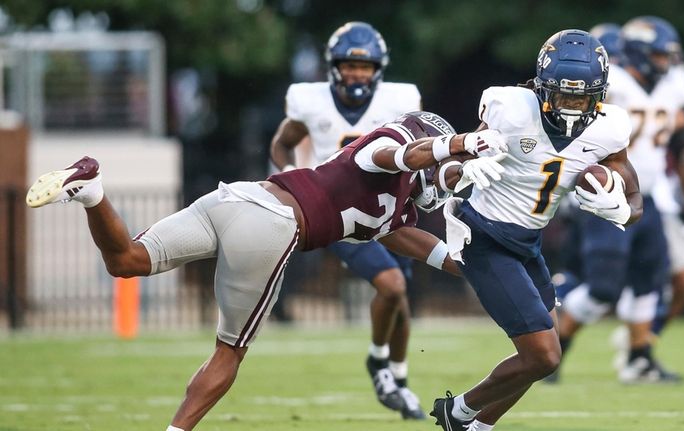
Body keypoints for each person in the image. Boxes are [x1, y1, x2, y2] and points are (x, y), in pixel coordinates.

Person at [25, 111, 508, 431]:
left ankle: (92, 190)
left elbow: (424, 246)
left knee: (127, 260)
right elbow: (401, 156)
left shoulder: (396, 208)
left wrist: (485, 265)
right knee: (229, 351)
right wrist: (463, 142)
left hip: (234, 198)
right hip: (272, 225)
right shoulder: (389, 146)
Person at [426, 29, 641, 431]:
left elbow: (636, 201)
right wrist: (461, 170)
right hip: (483, 238)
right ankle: (458, 413)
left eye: (582, 97)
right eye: (563, 96)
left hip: (528, 245)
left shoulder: (610, 128)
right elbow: (447, 165)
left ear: (600, 95)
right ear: (542, 88)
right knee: (543, 356)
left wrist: (620, 209)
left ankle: (478, 427)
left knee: (541, 356)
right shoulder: (509, 107)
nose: (573, 107)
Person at [269, 21, 427, 419]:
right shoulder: (310, 101)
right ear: (333, 66)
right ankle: (379, 363)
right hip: (341, 211)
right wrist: (292, 176)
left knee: (400, 301)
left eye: (365, 67)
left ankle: (396, 376)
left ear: (379, 69)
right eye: (349, 65)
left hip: (391, 211)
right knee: (391, 286)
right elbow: (282, 142)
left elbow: (420, 148)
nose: (357, 74)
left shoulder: (400, 100)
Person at [555, 16, 684, 384]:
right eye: (657, 56)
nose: (666, 64)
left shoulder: (672, 87)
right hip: (608, 193)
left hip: (649, 196)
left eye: (668, 57)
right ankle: (554, 350)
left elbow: (680, 129)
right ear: (636, 54)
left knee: (648, 281)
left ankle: (639, 358)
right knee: (603, 286)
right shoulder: (612, 84)